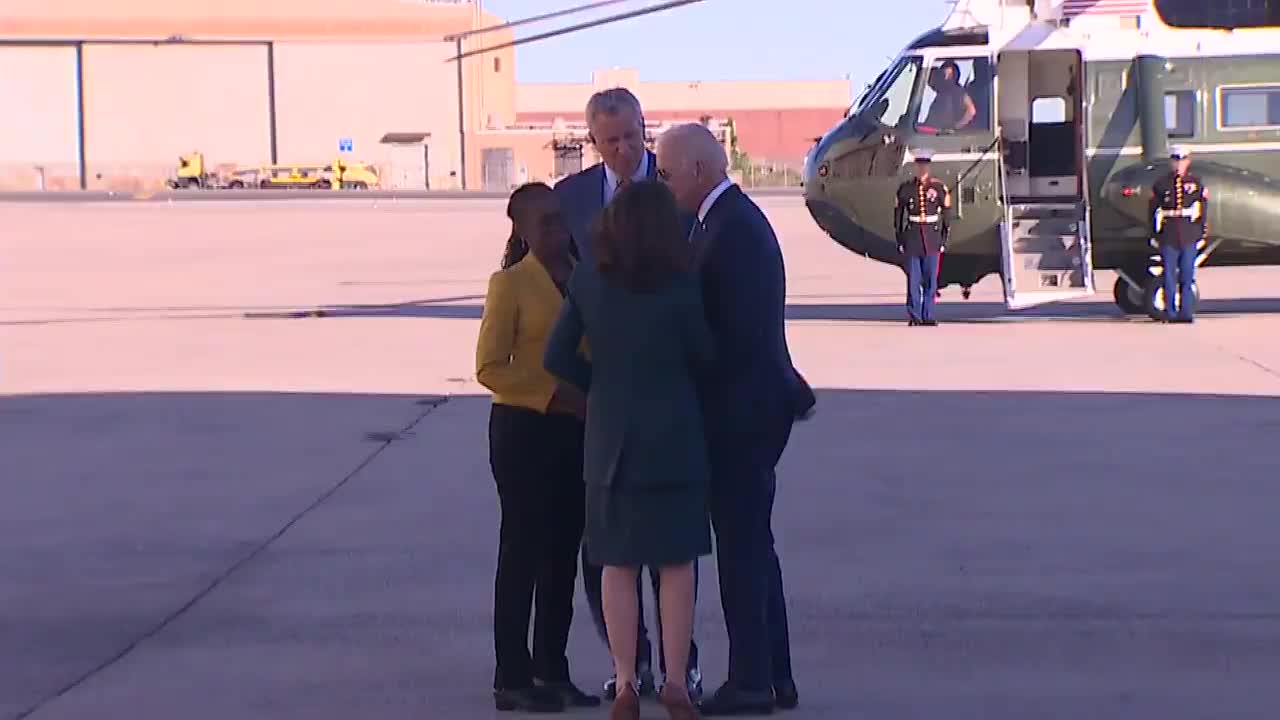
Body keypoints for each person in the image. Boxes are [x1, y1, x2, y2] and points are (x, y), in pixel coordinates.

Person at [554, 86, 704, 701]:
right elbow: (705, 355)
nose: (622, 148)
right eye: (610, 139)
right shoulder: (680, 282)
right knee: (674, 562)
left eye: (630, 135)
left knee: (615, 560)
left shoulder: (591, 282)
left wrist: (603, 389)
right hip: (673, 435)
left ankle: (623, 679)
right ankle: (669, 678)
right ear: (595, 141)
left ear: (646, 129)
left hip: (610, 436)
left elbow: (556, 354)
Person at [656, 123, 800, 716]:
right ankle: (772, 675)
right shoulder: (726, 221)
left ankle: (750, 681)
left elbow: (733, 337)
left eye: (665, 175)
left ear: (696, 171)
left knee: (741, 549)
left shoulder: (731, 230)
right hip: (751, 408)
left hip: (739, 415)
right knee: (754, 548)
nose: (661, 186)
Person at [475, 182, 600, 713]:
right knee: (522, 551)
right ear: (522, 231)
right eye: (543, 223)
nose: (555, 230)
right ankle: (512, 676)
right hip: (525, 431)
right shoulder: (509, 285)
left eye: (559, 219)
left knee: (562, 555)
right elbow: (489, 367)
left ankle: (553, 668)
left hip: (578, 432)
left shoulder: (587, 280)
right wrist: (557, 395)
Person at [1149, 145, 1207, 323]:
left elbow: (1202, 208)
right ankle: (1170, 312)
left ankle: (1186, 312)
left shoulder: (1195, 183)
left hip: (1188, 233)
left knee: (1187, 275)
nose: (1179, 164)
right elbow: (1153, 209)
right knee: (1168, 276)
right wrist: (1155, 234)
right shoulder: (1161, 184)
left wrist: (1201, 231)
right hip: (1169, 234)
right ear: (1171, 162)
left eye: (1182, 160)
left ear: (1187, 162)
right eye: (1175, 160)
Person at [894, 148, 950, 327]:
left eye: (925, 166)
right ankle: (915, 315)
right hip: (912, 238)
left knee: (931, 281)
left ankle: (929, 314)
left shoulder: (939, 188)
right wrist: (900, 238)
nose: (922, 169)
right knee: (913, 280)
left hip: (932, 239)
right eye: (919, 166)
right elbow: (898, 216)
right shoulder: (906, 189)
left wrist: (943, 239)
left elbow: (947, 216)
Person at [921, 60, 976, 132]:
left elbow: (971, 111)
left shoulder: (956, 92)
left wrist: (955, 128)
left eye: (943, 75)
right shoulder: (943, 94)